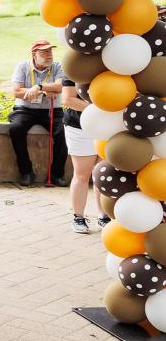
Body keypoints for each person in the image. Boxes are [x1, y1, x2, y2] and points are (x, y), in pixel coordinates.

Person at [9, 40, 66, 187]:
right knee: (16, 129)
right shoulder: (22, 66)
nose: (49, 55)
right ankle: (26, 172)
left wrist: (38, 86)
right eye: (45, 52)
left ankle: (56, 174)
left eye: (50, 51)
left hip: (52, 109)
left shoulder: (58, 66)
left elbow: (60, 86)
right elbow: (16, 91)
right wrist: (45, 91)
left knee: (64, 132)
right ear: (34, 54)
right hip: (25, 110)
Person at [62, 79, 111, 234]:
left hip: (108, 126)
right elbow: (68, 99)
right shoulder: (76, 66)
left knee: (103, 172)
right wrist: (98, 109)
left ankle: (104, 216)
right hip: (79, 126)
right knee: (82, 174)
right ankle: (78, 217)